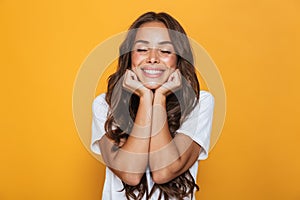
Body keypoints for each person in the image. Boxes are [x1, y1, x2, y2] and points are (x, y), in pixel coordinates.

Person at [90, 11, 214, 200]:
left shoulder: (199, 103)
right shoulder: (104, 105)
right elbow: (130, 173)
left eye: (165, 51)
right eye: (141, 49)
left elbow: (164, 171)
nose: (153, 58)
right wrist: (145, 96)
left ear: (179, 59)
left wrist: (160, 97)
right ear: (129, 57)